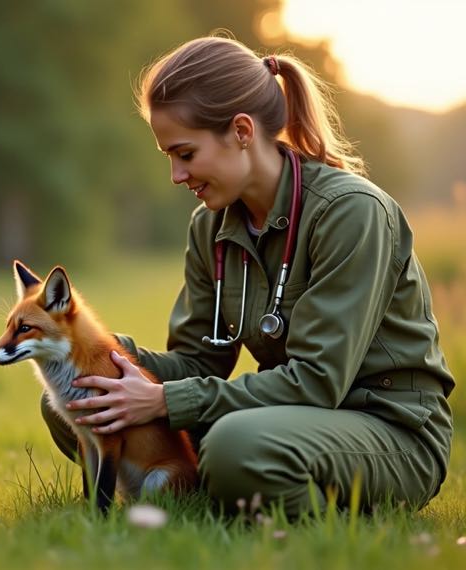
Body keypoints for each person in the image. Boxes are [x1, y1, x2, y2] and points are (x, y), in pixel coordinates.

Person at [40, 36, 455, 517]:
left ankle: (276, 510)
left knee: (237, 448)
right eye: (169, 158)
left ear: (241, 130)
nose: (176, 175)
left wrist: (164, 401)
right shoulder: (210, 226)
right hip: (287, 421)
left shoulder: (351, 214)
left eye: (186, 154)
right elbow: (199, 361)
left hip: (386, 430)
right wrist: (103, 354)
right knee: (79, 394)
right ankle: (215, 497)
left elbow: (319, 381)